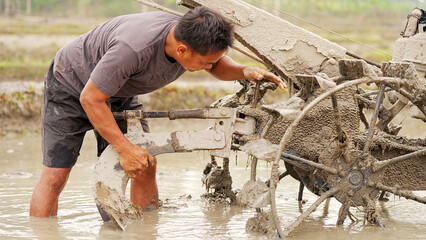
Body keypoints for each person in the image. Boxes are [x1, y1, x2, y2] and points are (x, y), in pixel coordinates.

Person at [29, 6, 286, 217]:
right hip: (72, 86)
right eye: (205, 62)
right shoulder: (133, 49)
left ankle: (145, 230)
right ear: (182, 50)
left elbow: (216, 65)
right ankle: (42, 232)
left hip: (119, 91)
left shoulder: (190, 36)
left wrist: (244, 71)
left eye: (212, 60)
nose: (209, 66)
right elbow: (91, 99)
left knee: (145, 163)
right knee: (56, 175)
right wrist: (125, 149)